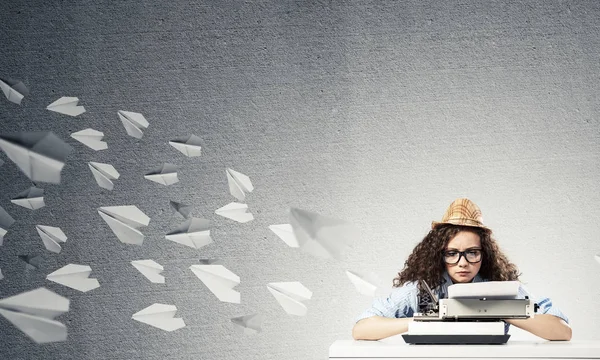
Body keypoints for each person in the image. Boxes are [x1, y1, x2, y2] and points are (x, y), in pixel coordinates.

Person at [352, 198, 572, 341]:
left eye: (472, 252)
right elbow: (361, 329)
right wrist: (425, 320)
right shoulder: (419, 291)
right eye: (452, 253)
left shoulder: (503, 290)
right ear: (439, 255)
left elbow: (562, 331)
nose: (463, 262)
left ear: (484, 254)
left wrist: (496, 309)